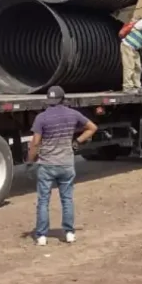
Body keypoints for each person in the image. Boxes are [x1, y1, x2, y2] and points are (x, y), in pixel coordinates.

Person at [28, 86, 97, 246]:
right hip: (66, 164)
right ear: (63, 99)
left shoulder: (41, 118)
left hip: (47, 165)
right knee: (67, 199)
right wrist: (77, 141)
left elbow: (35, 143)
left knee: (43, 201)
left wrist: (30, 161)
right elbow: (92, 128)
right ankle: (69, 233)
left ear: (48, 100)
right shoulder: (73, 114)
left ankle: (42, 236)